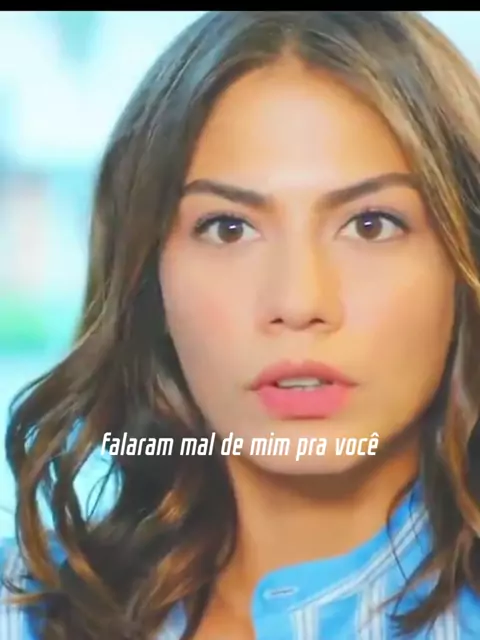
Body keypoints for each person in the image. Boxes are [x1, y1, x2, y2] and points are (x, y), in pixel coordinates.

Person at [2, 10, 480, 639]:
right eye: (229, 228)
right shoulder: (24, 608)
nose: (298, 301)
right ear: (149, 280)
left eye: (371, 225)